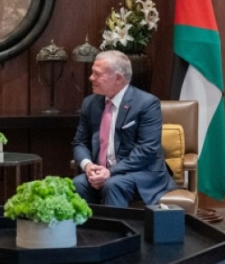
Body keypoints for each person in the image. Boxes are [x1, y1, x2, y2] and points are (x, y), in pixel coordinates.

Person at [72, 50, 176, 206]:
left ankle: (117, 224)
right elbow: (80, 142)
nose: (91, 78)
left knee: (113, 185)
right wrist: (88, 166)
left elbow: (147, 149)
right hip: (102, 171)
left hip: (141, 172)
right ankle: (88, 224)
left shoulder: (146, 103)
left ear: (118, 79)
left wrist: (110, 171)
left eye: (97, 74)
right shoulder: (90, 103)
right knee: (78, 183)